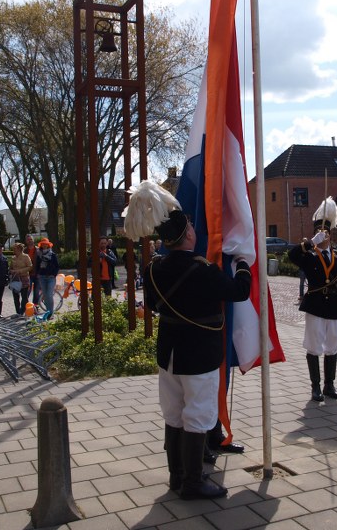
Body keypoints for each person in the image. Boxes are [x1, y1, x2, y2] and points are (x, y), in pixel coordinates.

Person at [125, 180, 251, 500]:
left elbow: (152, 305)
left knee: (173, 414)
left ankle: (177, 477)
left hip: (169, 354)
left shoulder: (154, 268)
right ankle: (194, 483)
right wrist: (243, 265)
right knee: (197, 414)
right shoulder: (203, 270)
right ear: (189, 236)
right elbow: (239, 292)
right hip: (199, 356)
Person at [288, 198, 337, 403]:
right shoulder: (309, 255)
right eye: (321, 234)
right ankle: (315, 387)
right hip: (315, 305)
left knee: (332, 346)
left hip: (334, 306)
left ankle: (329, 384)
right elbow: (291, 256)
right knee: (314, 346)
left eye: (327, 234)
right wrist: (310, 243)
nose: (325, 237)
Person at [35, 238, 60, 313]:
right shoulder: (39, 254)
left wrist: (54, 274)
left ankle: (51, 312)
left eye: (45, 244)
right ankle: (48, 312)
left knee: (49, 294)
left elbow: (57, 266)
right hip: (42, 277)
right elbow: (37, 265)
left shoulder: (52, 255)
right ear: (41, 245)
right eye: (43, 244)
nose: (44, 245)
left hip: (50, 278)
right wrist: (38, 274)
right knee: (45, 296)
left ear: (48, 245)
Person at [9, 242, 32, 315]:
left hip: (24, 278)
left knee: (24, 297)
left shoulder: (26, 257)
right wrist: (11, 271)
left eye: (15, 249)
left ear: (19, 249)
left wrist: (20, 271)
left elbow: (30, 267)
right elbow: (10, 267)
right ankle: (18, 312)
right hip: (15, 279)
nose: (14, 250)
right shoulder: (13, 258)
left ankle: (22, 311)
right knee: (16, 297)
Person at [24, 234, 39, 305]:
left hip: (37, 273)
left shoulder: (38, 250)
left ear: (33, 240)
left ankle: (35, 306)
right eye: (28, 240)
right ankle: (26, 306)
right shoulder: (24, 251)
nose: (30, 241)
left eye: (31, 239)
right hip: (28, 274)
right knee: (27, 291)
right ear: (26, 241)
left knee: (36, 292)